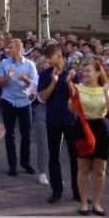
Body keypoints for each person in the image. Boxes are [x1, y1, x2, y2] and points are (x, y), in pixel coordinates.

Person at [68, 61, 109, 216]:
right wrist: (73, 94)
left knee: (99, 170)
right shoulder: (78, 88)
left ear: (97, 73)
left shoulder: (106, 88)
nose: (85, 73)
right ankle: (83, 203)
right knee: (83, 169)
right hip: (82, 127)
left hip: (100, 129)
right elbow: (70, 109)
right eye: (84, 70)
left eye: (88, 71)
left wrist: (105, 92)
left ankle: (97, 203)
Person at [37, 44, 79, 204]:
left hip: (70, 120)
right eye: (46, 58)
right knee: (54, 155)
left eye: (50, 57)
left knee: (75, 156)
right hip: (53, 119)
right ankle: (56, 190)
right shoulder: (45, 75)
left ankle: (77, 190)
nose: (47, 61)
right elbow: (43, 97)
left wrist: (69, 82)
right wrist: (53, 83)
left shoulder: (72, 74)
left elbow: (76, 97)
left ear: (59, 56)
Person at [0, 38, 38, 176]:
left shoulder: (30, 65)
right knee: (10, 133)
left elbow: (33, 85)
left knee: (26, 133)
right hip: (8, 100)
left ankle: (25, 163)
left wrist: (25, 79)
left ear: (20, 49)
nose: (8, 50)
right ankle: (12, 165)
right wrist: (8, 77)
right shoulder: (4, 63)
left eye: (11, 47)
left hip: (24, 101)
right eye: (8, 48)